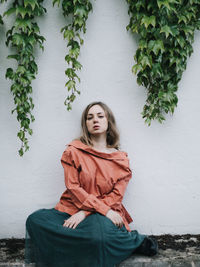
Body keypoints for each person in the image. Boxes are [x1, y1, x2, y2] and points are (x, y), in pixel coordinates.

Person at [25, 101, 158, 267]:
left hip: (105, 212)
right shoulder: (73, 151)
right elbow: (73, 188)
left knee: (98, 237)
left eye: (100, 116)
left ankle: (134, 241)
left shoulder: (120, 159)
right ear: (85, 124)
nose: (95, 120)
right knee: (35, 220)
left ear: (108, 121)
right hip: (72, 208)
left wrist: (85, 213)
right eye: (90, 117)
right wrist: (80, 211)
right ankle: (101, 245)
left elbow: (116, 196)